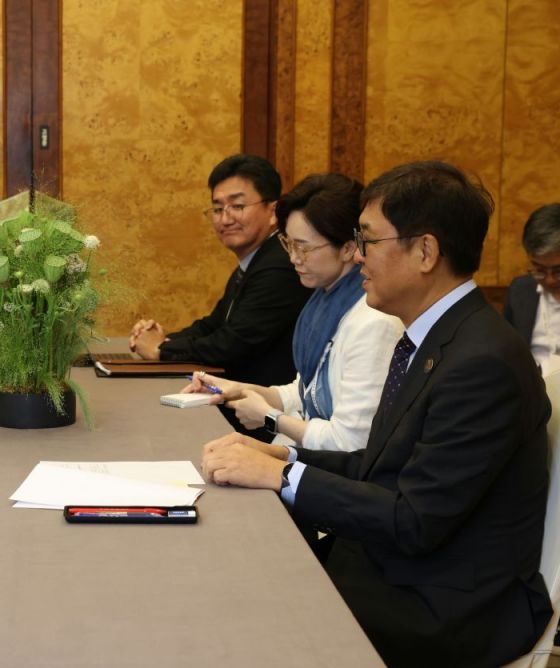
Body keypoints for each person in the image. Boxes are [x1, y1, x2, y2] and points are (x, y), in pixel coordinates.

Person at [200, 161, 552, 667]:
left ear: (425, 251)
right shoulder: (436, 336)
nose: (358, 254)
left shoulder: (482, 362)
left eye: (368, 240)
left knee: (246, 608)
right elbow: (380, 463)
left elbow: (414, 519)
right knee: (240, 568)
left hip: (447, 606)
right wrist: (281, 456)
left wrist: (282, 477)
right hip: (398, 569)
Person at [184, 174, 402, 452]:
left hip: (330, 468)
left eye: (304, 247)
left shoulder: (374, 322)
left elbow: (351, 442)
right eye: (289, 244)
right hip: (304, 455)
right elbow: (303, 393)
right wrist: (233, 388)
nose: (293, 258)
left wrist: (271, 418)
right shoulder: (323, 301)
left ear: (348, 248)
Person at [128, 154, 311, 438]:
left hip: (263, 421)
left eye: (237, 206)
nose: (225, 218)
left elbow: (232, 343)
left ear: (273, 210)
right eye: (217, 208)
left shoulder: (280, 265)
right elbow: (213, 325)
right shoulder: (255, 261)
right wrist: (165, 339)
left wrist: (161, 350)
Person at [504, 203, 560, 374]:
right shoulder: (520, 290)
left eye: (558, 271)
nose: (549, 280)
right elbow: (505, 351)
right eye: (539, 270)